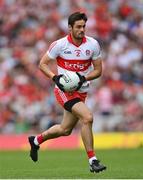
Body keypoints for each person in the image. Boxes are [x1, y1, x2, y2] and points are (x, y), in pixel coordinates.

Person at [28, 12, 106, 173]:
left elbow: (98, 70)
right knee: (87, 117)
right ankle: (93, 160)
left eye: (84, 26)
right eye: (78, 27)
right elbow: (42, 64)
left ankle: (36, 140)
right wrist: (54, 77)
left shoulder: (92, 45)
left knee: (65, 130)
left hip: (81, 91)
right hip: (64, 91)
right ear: (70, 28)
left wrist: (83, 78)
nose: (82, 29)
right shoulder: (59, 45)